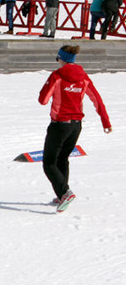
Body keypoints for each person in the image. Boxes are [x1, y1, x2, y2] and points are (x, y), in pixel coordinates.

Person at [38, 45, 112, 210]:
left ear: (62, 59)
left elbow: (42, 100)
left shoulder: (57, 76)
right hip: (76, 127)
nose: (57, 62)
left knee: (49, 163)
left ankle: (65, 192)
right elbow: (97, 99)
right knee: (62, 159)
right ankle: (62, 195)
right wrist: (105, 121)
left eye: (57, 58)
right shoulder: (84, 77)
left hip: (59, 126)